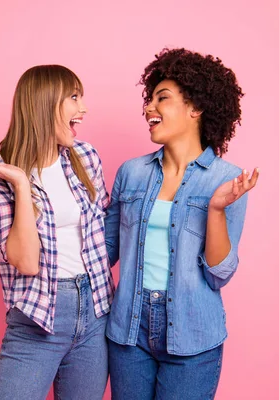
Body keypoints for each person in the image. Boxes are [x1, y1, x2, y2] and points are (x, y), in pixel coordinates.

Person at [105, 48, 259, 400]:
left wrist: (216, 210)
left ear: (196, 108)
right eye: (150, 99)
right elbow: (103, 251)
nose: (149, 109)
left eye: (163, 98)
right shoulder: (132, 173)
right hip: (128, 329)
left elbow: (218, 274)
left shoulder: (227, 179)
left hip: (193, 333)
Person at [0, 64, 113, 400]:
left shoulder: (86, 157)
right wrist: (21, 183)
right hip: (37, 316)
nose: (84, 109)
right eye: (74, 97)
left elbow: (102, 235)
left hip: (95, 311)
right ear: (46, 103)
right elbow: (26, 262)